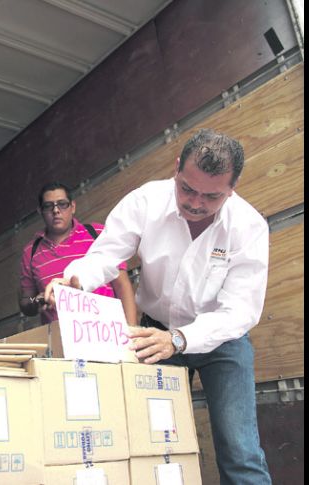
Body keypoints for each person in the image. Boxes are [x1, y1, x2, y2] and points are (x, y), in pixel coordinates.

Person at [45, 129, 272, 484]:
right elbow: (105, 255)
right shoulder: (146, 201)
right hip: (155, 334)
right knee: (150, 442)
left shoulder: (249, 227)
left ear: (233, 186)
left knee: (239, 450)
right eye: (187, 188)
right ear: (176, 167)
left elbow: (240, 311)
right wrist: (72, 279)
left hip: (223, 343)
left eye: (211, 196)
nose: (196, 203)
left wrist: (180, 340)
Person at [18, 182, 137, 326]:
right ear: (40, 211)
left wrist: (132, 333)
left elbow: (122, 286)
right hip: (60, 343)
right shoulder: (30, 252)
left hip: (107, 335)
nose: (56, 210)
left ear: (73, 207)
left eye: (62, 204)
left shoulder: (97, 234)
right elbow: (27, 302)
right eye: (48, 206)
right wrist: (38, 300)